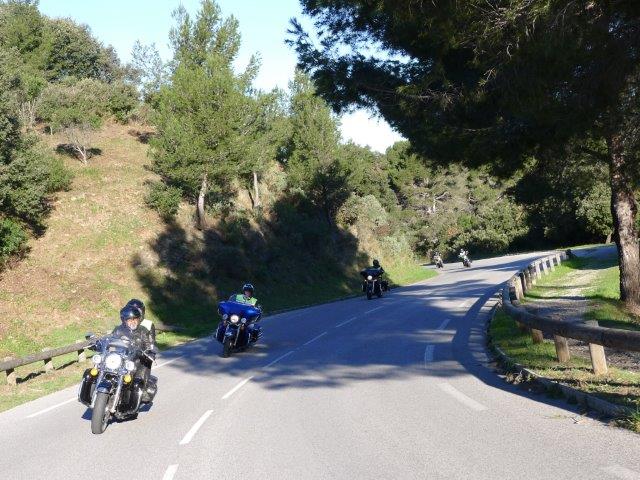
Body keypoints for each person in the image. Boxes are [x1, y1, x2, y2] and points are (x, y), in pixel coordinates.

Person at [113, 305, 157, 402]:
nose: (133, 322)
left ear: (138, 319)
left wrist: (151, 351)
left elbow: (150, 344)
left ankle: (143, 390)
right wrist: (100, 343)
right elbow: (110, 340)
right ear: (124, 320)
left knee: (143, 367)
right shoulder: (118, 330)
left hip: (137, 359)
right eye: (130, 320)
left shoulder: (143, 331)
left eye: (135, 319)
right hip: (121, 358)